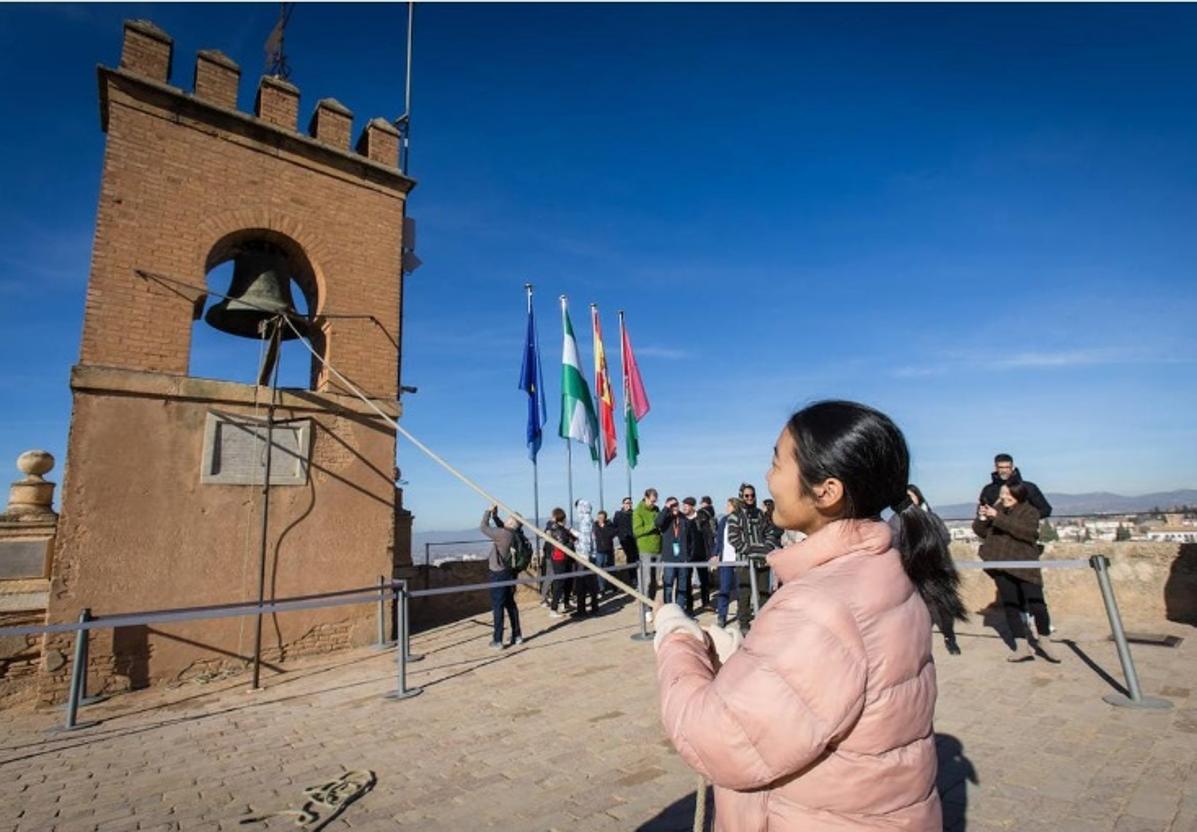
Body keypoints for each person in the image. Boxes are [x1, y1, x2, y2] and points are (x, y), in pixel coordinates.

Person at [653, 400, 962, 829]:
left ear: (827, 491)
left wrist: (677, 641)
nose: (767, 477)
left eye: (777, 462)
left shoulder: (820, 605)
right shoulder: (888, 567)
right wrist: (743, 664)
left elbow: (719, 739)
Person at [974, 483, 1059, 663]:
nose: (1004, 496)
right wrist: (982, 518)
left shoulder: (1030, 511)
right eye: (1002, 493)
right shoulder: (997, 509)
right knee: (1011, 605)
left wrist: (997, 517)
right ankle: (1022, 647)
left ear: (1017, 494)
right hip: (1001, 564)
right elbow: (981, 532)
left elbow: (1027, 533)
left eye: (1007, 493)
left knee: (1037, 605)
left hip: (1025, 566)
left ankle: (1044, 641)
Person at [889, 484, 964, 655]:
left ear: (918, 497)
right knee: (923, 609)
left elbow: (945, 536)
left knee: (944, 606)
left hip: (937, 568)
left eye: (912, 496)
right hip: (915, 571)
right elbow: (895, 544)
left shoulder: (931, 517)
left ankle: (949, 636)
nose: (910, 499)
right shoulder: (896, 521)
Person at [726, 483, 776, 633]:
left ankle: (764, 621)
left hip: (762, 560)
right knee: (744, 594)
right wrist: (750, 550)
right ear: (741, 496)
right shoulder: (735, 516)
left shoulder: (760, 514)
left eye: (752, 495)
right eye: (747, 495)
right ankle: (744, 623)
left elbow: (770, 532)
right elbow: (733, 538)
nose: (750, 498)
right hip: (745, 561)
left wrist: (766, 547)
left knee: (763, 593)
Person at [478, 506, 523, 648]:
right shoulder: (516, 534)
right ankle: (517, 635)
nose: (506, 519)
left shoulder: (502, 534)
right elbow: (503, 527)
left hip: (498, 574)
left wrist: (487, 511)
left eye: (509, 518)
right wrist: (495, 516)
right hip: (510, 573)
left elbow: (483, 527)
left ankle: (497, 640)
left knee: (498, 606)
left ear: (511, 522)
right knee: (510, 605)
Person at [656, 496, 698, 614]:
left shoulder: (684, 519)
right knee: (668, 586)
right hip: (669, 559)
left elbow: (692, 540)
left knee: (682, 586)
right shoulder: (665, 519)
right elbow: (657, 522)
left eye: (676, 505)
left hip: (683, 559)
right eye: (672, 505)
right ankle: (669, 611)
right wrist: (666, 508)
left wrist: (689, 556)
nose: (675, 507)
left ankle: (680, 611)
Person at [979, 453, 1052, 518]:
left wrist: (1026, 519)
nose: (1004, 470)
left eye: (1007, 467)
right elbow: (982, 512)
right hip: (996, 531)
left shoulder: (1028, 487)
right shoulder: (988, 490)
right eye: (1001, 467)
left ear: (1012, 467)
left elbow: (1046, 510)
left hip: (1023, 531)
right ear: (995, 468)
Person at [708, 497, 740, 628]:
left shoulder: (741, 519)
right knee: (724, 588)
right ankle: (722, 615)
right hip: (726, 559)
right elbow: (719, 539)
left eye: (729, 505)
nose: (727, 507)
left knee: (740, 587)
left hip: (739, 559)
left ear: (735, 506)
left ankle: (742, 612)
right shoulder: (723, 521)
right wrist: (715, 554)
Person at [544, 507, 577, 619]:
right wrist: (571, 542)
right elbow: (563, 544)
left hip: (565, 559)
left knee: (568, 581)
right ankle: (554, 609)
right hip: (560, 559)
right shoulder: (557, 530)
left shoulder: (559, 528)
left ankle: (565, 604)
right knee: (559, 583)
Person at [633, 488, 663, 601]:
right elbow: (637, 531)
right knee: (646, 580)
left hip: (658, 549)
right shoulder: (638, 512)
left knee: (655, 581)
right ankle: (645, 607)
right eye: (651, 501)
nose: (653, 503)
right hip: (645, 550)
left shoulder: (657, 510)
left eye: (655, 501)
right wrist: (653, 525)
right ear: (646, 498)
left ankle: (651, 604)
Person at [572, 499, 600, 616]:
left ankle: (581, 610)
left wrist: (572, 532)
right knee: (591, 583)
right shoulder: (590, 520)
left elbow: (585, 540)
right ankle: (594, 606)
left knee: (581, 584)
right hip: (590, 556)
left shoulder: (585, 521)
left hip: (584, 557)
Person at [691, 497, 717, 610]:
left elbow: (707, 536)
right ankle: (704, 603)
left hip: (699, 550)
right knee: (703, 578)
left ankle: (702, 603)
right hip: (700, 551)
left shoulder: (701, 517)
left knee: (702, 578)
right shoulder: (710, 516)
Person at [593, 510, 620, 597]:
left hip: (608, 549)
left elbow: (613, 533)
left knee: (611, 568)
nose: (600, 519)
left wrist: (605, 528)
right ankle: (601, 589)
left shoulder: (609, 525)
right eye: (599, 517)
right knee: (600, 569)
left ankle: (614, 586)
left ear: (605, 518)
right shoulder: (595, 525)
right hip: (599, 551)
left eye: (602, 517)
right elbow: (595, 535)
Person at [612, 496, 639, 576]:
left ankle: (635, 577)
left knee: (635, 557)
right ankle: (632, 578)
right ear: (623, 504)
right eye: (627, 503)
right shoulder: (618, 514)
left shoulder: (634, 514)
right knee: (630, 557)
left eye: (630, 503)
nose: (629, 505)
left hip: (634, 539)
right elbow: (615, 526)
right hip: (624, 539)